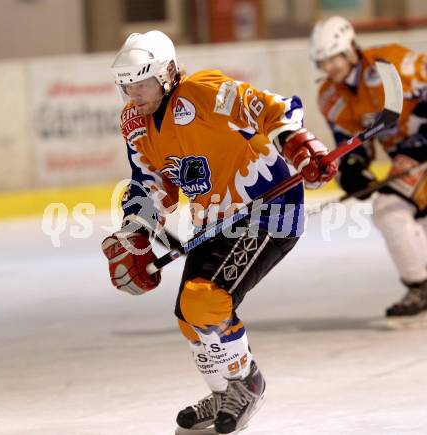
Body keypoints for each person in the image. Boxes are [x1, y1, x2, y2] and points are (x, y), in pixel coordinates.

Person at [102, 30, 337, 434]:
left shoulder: (201, 93)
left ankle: (247, 384)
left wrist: (299, 144)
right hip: (217, 219)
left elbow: (270, 107)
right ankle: (221, 392)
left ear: (168, 73)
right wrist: (137, 234)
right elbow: (149, 183)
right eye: (127, 86)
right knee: (189, 317)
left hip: (269, 210)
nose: (134, 94)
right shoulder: (135, 125)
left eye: (141, 83)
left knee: (204, 300)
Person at [310, 16, 427, 318]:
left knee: (390, 209)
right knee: (399, 214)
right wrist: (353, 169)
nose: (331, 67)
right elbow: (351, 143)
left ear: (350, 48)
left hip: (419, 149)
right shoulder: (330, 96)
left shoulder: (393, 62)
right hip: (408, 157)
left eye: (335, 57)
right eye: (324, 62)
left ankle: (420, 284)